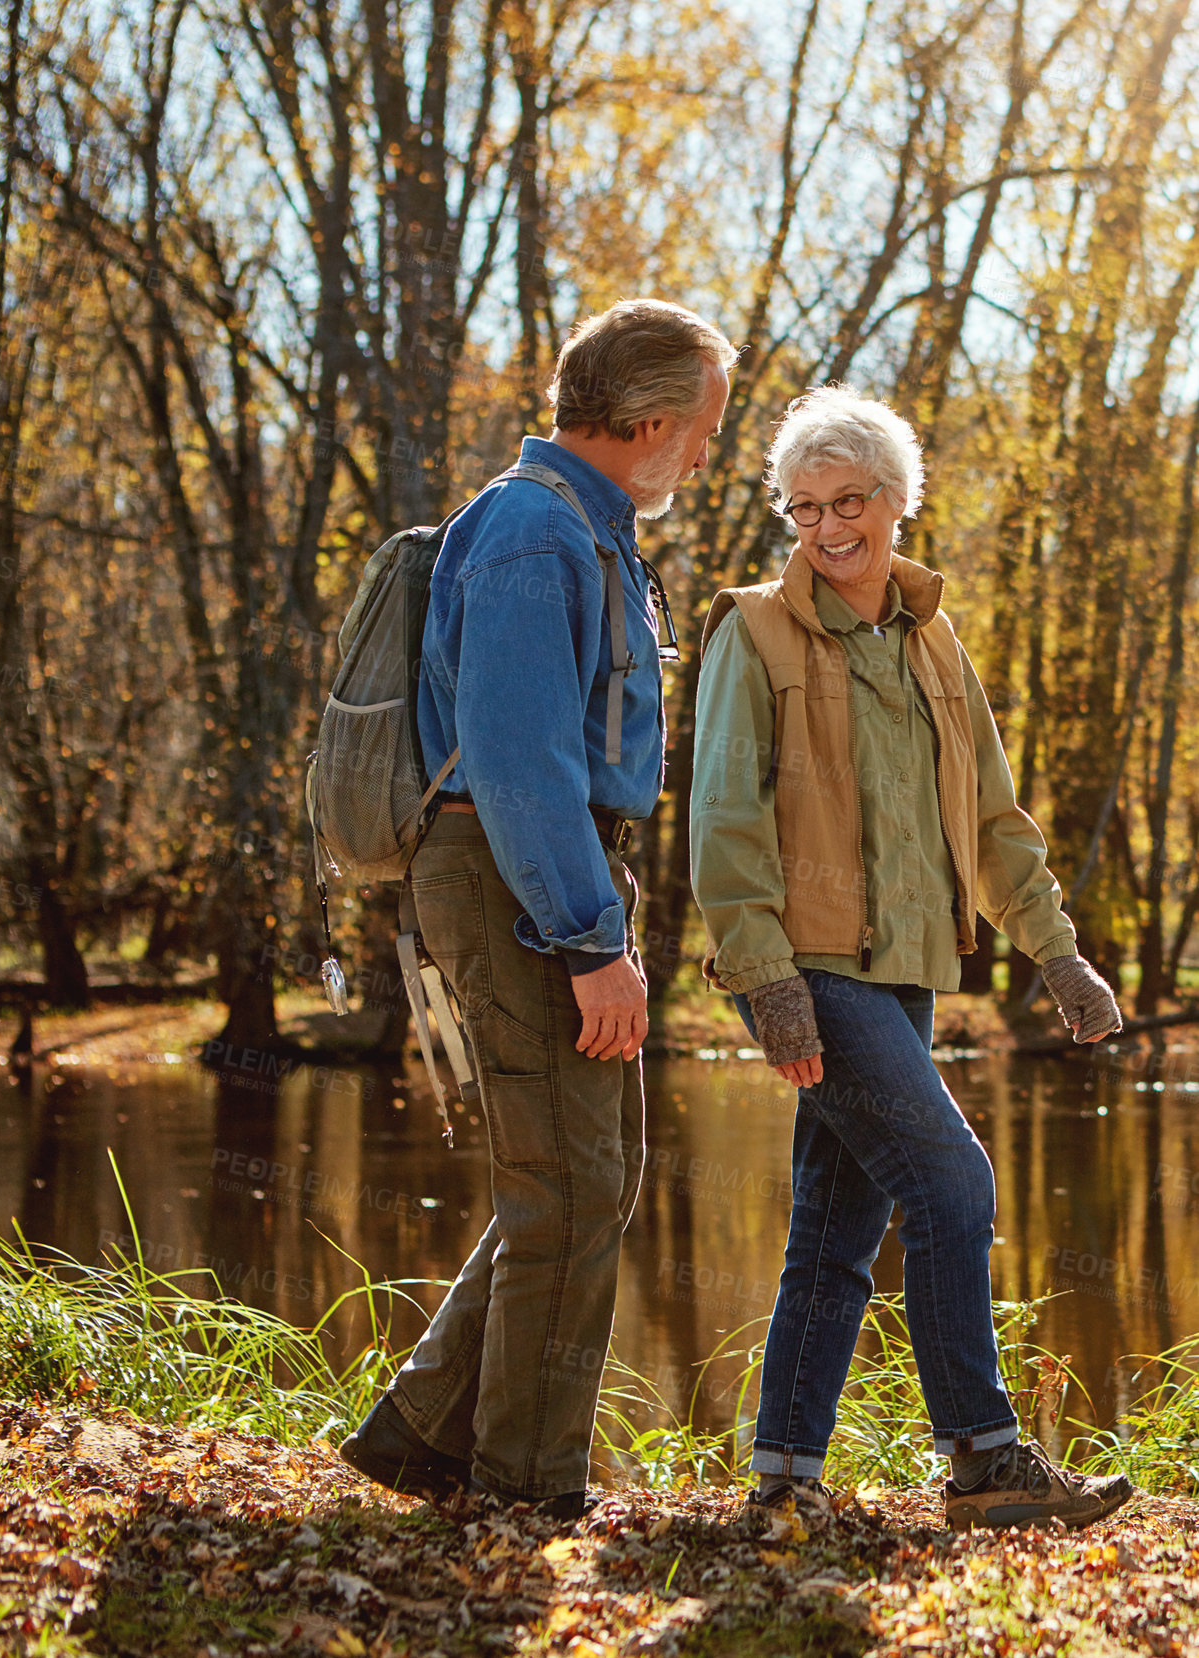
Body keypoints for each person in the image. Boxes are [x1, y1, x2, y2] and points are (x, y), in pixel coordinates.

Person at [690, 384, 1132, 1534]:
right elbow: (721, 815)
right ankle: (983, 1455)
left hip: (905, 969)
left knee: (834, 1229)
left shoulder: (931, 637)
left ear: (896, 500)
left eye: (848, 502)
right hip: (807, 967)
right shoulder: (752, 629)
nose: (827, 528)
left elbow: (989, 817)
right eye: (802, 508)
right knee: (950, 1183)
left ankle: (782, 1476)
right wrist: (764, 975)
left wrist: (1057, 955)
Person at [340, 299, 735, 1519]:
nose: (707, 455)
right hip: (511, 873)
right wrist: (586, 938)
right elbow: (517, 758)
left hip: (546, 870)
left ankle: (420, 1429)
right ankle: (522, 1486)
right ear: (652, 420)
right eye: (707, 429)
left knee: (585, 1176)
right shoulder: (532, 531)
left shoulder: (583, 525)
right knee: (564, 1185)